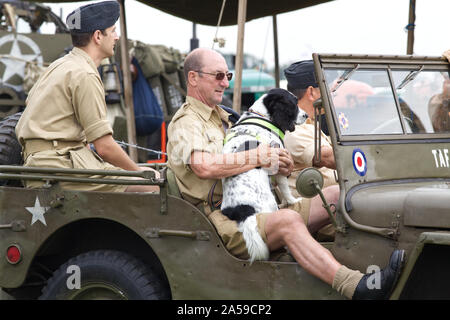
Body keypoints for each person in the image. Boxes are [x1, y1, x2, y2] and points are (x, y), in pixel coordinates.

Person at [167, 47, 404, 300]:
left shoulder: (225, 118)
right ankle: (356, 286)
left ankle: (376, 263)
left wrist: (278, 164)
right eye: (217, 76)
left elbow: (245, 167)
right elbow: (205, 167)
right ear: (193, 78)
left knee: (337, 195)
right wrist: (258, 156)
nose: (225, 82)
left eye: (228, 76)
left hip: (262, 206)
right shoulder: (187, 122)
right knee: (288, 222)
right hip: (223, 218)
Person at [15, 1, 158, 193]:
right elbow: (104, 147)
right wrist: (141, 175)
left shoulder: (60, 65)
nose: (116, 37)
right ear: (98, 36)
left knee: (148, 173)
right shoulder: (85, 74)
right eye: (113, 31)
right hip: (59, 166)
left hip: (51, 163)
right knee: (152, 185)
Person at [283, 60, 337, 197]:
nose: (332, 97)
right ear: (312, 92)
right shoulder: (293, 128)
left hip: (331, 199)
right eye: (329, 91)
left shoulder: (310, 122)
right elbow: (328, 157)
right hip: (311, 204)